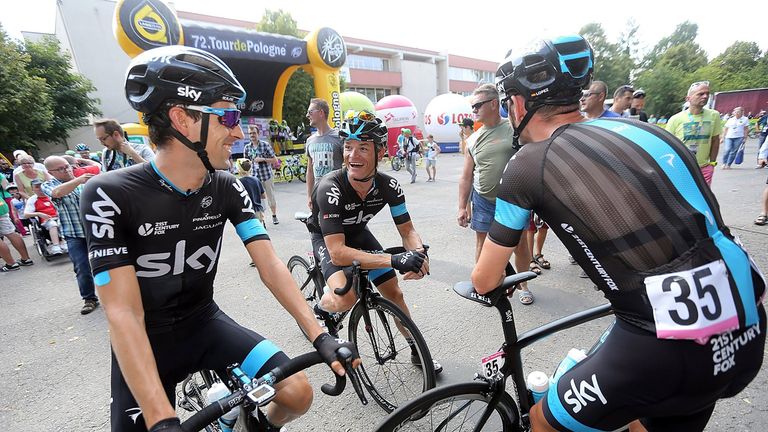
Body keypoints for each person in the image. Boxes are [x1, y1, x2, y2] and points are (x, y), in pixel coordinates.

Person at [480, 34, 765, 432]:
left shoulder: (529, 163)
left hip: (662, 347)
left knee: (542, 420)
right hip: (747, 326)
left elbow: (486, 278)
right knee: (644, 413)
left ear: (519, 104)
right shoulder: (651, 133)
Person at [81, 46, 358, 432]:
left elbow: (271, 265)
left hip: (204, 323)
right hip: (144, 342)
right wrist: (161, 419)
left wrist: (319, 335)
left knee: (297, 393)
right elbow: (123, 312)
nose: (239, 131)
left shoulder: (227, 186)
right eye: (228, 116)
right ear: (182, 119)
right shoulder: (109, 194)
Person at [309, 109, 442, 373]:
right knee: (345, 299)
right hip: (329, 240)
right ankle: (322, 308)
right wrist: (393, 259)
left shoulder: (389, 186)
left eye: (362, 149)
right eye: (348, 148)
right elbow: (337, 252)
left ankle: (416, 349)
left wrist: (417, 254)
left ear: (380, 152)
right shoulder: (330, 187)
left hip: (358, 233)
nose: (352, 156)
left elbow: (407, 230)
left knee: (394, 293)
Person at [457, 83, 533, 304]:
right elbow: (466, 176)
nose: (474, 111)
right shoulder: (472, 139)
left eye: (477, 105)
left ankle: (522, 285)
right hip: (482, 199)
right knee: (482, 243)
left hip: (513, 201)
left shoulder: (516, 128)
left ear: (493, 103)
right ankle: (487, 287)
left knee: (519, 245)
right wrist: (462, 206)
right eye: (472, 107)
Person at [41, 156, 101, 314]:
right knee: (81, 266)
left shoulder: (86, 180)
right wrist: (79, 180)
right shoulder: (49, 184)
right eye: (60, 168)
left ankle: (117, 294)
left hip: (97, 230)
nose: (67, 170)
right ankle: (89, 298)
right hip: (73, 233)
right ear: (50, 172)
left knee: (108, 263)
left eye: (67, 166)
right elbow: (57, 192)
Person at [666, 81, 722, 185]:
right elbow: (667, 145)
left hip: (704, 168)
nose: (705, 96)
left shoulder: (714, 115)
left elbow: (715, 140)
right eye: (700, 94)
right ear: (688, 98)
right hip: (682, 168)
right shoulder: (676, 119)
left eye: (707, 94)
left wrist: (712, 163)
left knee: (703, 198)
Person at [305, 98, 343, 209]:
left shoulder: (339, 137)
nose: (307, 115)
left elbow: (348, 167)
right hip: (318, 194)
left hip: (337, 193)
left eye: (310, 112)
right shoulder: (309, 140)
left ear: (321, 113)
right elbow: (310, 171)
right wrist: (309, 196)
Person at [246, 125, 280, 224]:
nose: (252, 135)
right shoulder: (247, 148)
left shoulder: (265, 145)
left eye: (254, 133)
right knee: (257, 200)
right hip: (255, 178)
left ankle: (274, 216)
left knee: (270, 197)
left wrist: (263, 159)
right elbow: (246, 163)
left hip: (266, 176)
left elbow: (275, 160)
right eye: (250, 133)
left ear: (258, 134)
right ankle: (262, 219)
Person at [23, 180, 65, 255]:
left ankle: (63, 242)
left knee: (61, 222)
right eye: (37, 187)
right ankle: (56, 246)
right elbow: (26, 214)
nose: (40, 189)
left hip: (58, 217)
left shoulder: (51, 195)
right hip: (46, 221)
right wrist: (39, 214)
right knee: (52, 224)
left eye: (41, 186)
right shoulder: (32, 199)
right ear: (33, 189)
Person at [0, 178, 33, 272]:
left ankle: (11, 263)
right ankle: (26, 259)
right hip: (1, 205)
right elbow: (4, 184)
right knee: (11, 233)